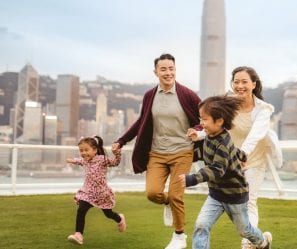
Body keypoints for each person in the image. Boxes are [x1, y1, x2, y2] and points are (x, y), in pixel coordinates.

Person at [111, 53, 202, 249]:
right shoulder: (150, 96)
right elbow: (141, 122)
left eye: (171, 68)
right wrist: (122, 140)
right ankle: (167, 202)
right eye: (163, 69)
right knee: (152, 193)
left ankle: (179, 236)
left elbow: (204, 121)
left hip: (182, 152)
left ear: (175, 70)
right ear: (156, 72)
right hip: (157, 153)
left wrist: (197, 130)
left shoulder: (188, 95)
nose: (168, 73)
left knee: (177, 195)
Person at [179, 95, 272, 249]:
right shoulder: (210, 136)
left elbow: (217, 169)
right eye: (200, 119)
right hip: (216, 195)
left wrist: (191, 179)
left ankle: (262, 241)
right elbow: (232, 150)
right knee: (202, 225)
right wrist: (242, 155)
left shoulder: (223, 142)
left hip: (235, 196)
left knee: (244, 230)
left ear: (220, 121)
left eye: (204, 119)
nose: (201, 123)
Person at [228, 66, 282, 249]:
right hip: (232, 163)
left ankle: (247, 243)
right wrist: (199, 134)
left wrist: (242, 154)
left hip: (255, 160)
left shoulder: (263, 109)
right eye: (236, 81)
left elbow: (255, 135)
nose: (240, 85)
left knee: (249, 202)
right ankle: (262, 241)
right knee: (235, 209)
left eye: (244, 81)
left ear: (253, 84)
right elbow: (212, 122)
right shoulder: (227, 104)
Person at [66, 136, 125, 245]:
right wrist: (72, 161)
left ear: (95, 150)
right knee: (81, 209)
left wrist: (117, 153)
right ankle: (78, 235)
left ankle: (120, 219)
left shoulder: (102, 159)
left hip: (102, 194)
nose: (83, 153)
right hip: (87, 193)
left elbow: (115, 163)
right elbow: (79, 161)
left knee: (108, 214)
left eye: (86, 150)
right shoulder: (84, 160)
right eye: (81, 150)